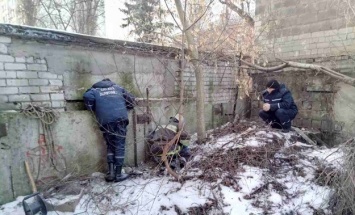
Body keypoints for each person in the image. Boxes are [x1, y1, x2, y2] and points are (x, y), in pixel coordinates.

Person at [83, 78, 135, 182]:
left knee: (110, 145)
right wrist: (128, 106)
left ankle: (111, 173)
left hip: (105, 121)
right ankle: (119, 174)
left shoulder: (94, 91)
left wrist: (93, 107)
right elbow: (131, 100)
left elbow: (87, 97)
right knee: (119, 145)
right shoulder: (118, 88)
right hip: (120, 119)